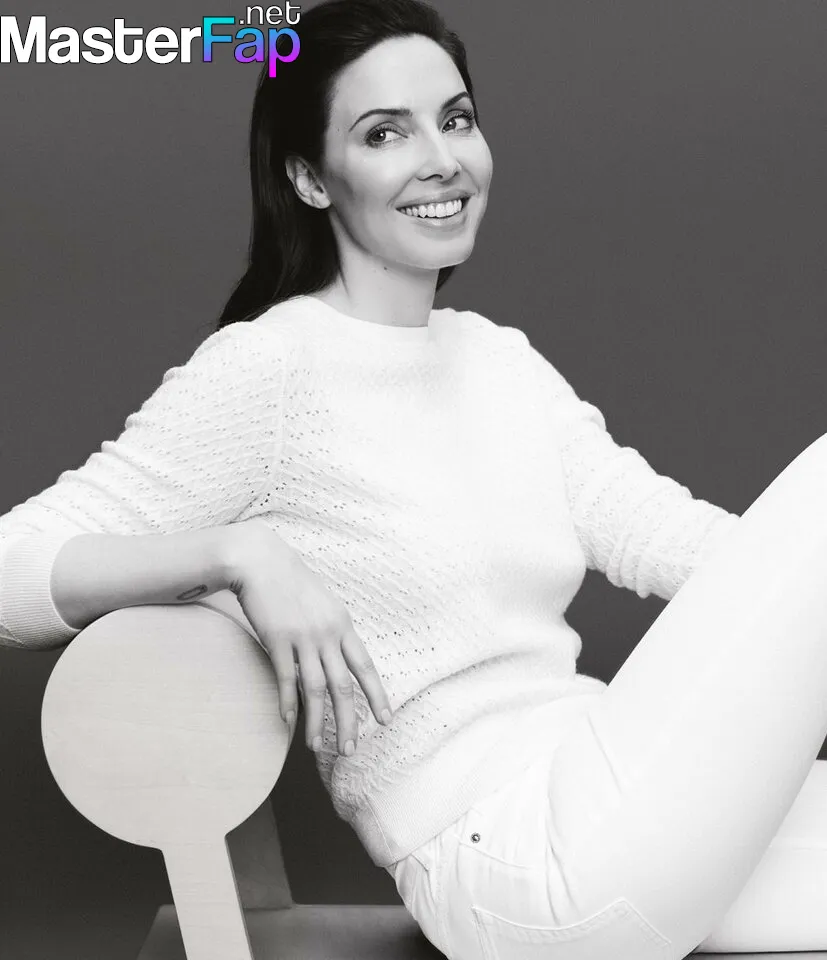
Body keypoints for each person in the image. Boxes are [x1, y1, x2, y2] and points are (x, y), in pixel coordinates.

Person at [2, 0, 827, 957]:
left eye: (456, 119)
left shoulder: (499, 360)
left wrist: (792, 604)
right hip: (516, 863)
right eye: (384, 133)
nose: (440, 159)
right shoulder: (270, 371)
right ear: (310, 177)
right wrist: (238, 554)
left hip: (618, 789)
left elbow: (673, 539)